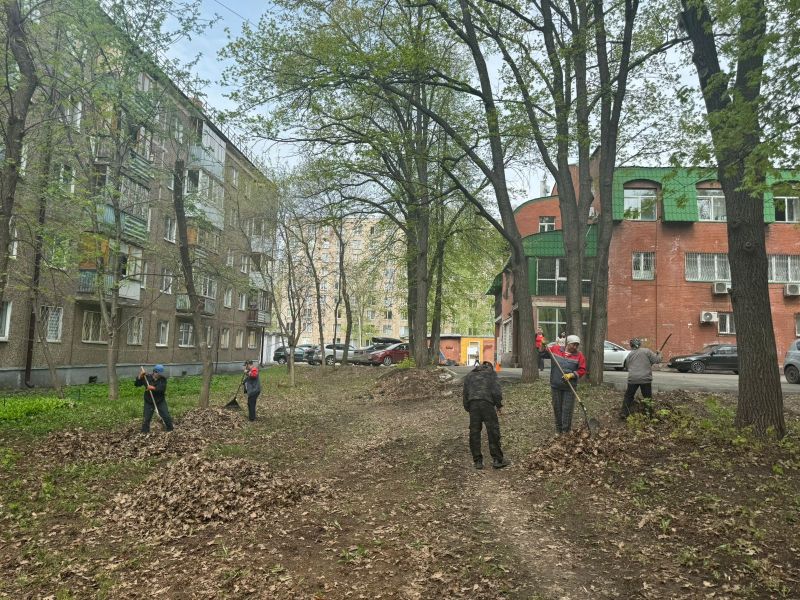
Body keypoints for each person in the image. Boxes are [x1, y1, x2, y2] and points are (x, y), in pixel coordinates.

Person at [463, 361, 510, 470]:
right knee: (493, 431)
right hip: (487, 404)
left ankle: (477, 461)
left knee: (474, 432)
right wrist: (499, 405)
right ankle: (497, 460)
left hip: (473, 404)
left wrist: (467, 407)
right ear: (490, 367)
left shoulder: (470, 375)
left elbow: (465, 393)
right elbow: (496, 391)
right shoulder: (491, 374)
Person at [548, 335, 587, 434]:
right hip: (556, 385)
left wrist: (572, 375)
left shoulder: (579, 356)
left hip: (569, 387)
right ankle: (559, 430)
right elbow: (543, 352)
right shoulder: (555, 349)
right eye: (573, 344)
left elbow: (582, 370)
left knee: (567, 409)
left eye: (577, 345)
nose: (575, 347)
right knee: (557, 408)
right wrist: (542, 345)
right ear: (567, 343)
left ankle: (566, 431)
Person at [620, 338, 662, 419]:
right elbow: (657, 360)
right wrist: (659, 353)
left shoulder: (629, 355)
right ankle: (648, 415)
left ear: (631, 345)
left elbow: (627, 366)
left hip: (633, 379)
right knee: (647, 397)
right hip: (645, 379)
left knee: (628, 396)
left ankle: (624, 413)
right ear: (639, 344)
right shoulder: (647, 351)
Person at [135, 364, 174, 434]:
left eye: (160, 373)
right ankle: (144, 432)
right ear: (154, 371)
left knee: (166, 415)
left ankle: (170, 429)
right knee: (146, 418)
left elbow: (162, 389)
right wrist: (140, 376)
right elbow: (137, 384)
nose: (159, 374)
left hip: (160, 401)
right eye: (157, 372)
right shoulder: (146, 377)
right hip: (149, 401)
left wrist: (153, 388)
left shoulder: (163, 379)